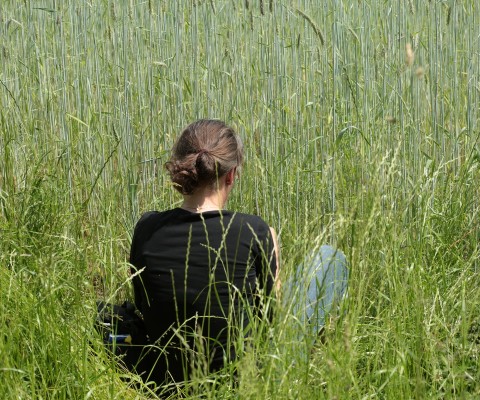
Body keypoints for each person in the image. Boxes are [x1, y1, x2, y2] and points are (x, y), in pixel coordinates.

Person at [128, 119, 347, 391]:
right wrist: (271, 249)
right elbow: (274, 320)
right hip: (241, 383)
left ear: (183, 170)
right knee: (330, 257)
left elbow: (142, 304)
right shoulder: (254, 230)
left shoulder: (146, 228)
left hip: (167, 382)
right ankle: (321, 364)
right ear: (230, 175)